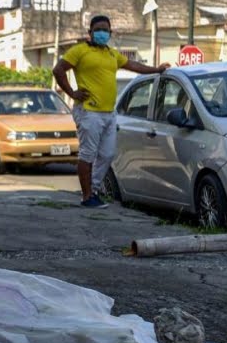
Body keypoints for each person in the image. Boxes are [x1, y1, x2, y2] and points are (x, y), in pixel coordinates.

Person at [53, 15, 170, 209]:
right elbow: (58, 70)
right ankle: (87, 196)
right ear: (90, 32)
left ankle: (94, 190)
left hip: (109, 112)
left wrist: (157, 70)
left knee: (107, 155)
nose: (102, 33)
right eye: (98, 29)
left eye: (105, 30)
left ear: (110, 33)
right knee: (88, 154)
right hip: (89, 111)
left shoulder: (112, 54)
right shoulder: (79, 51)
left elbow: (134, 65)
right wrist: (72, 92)